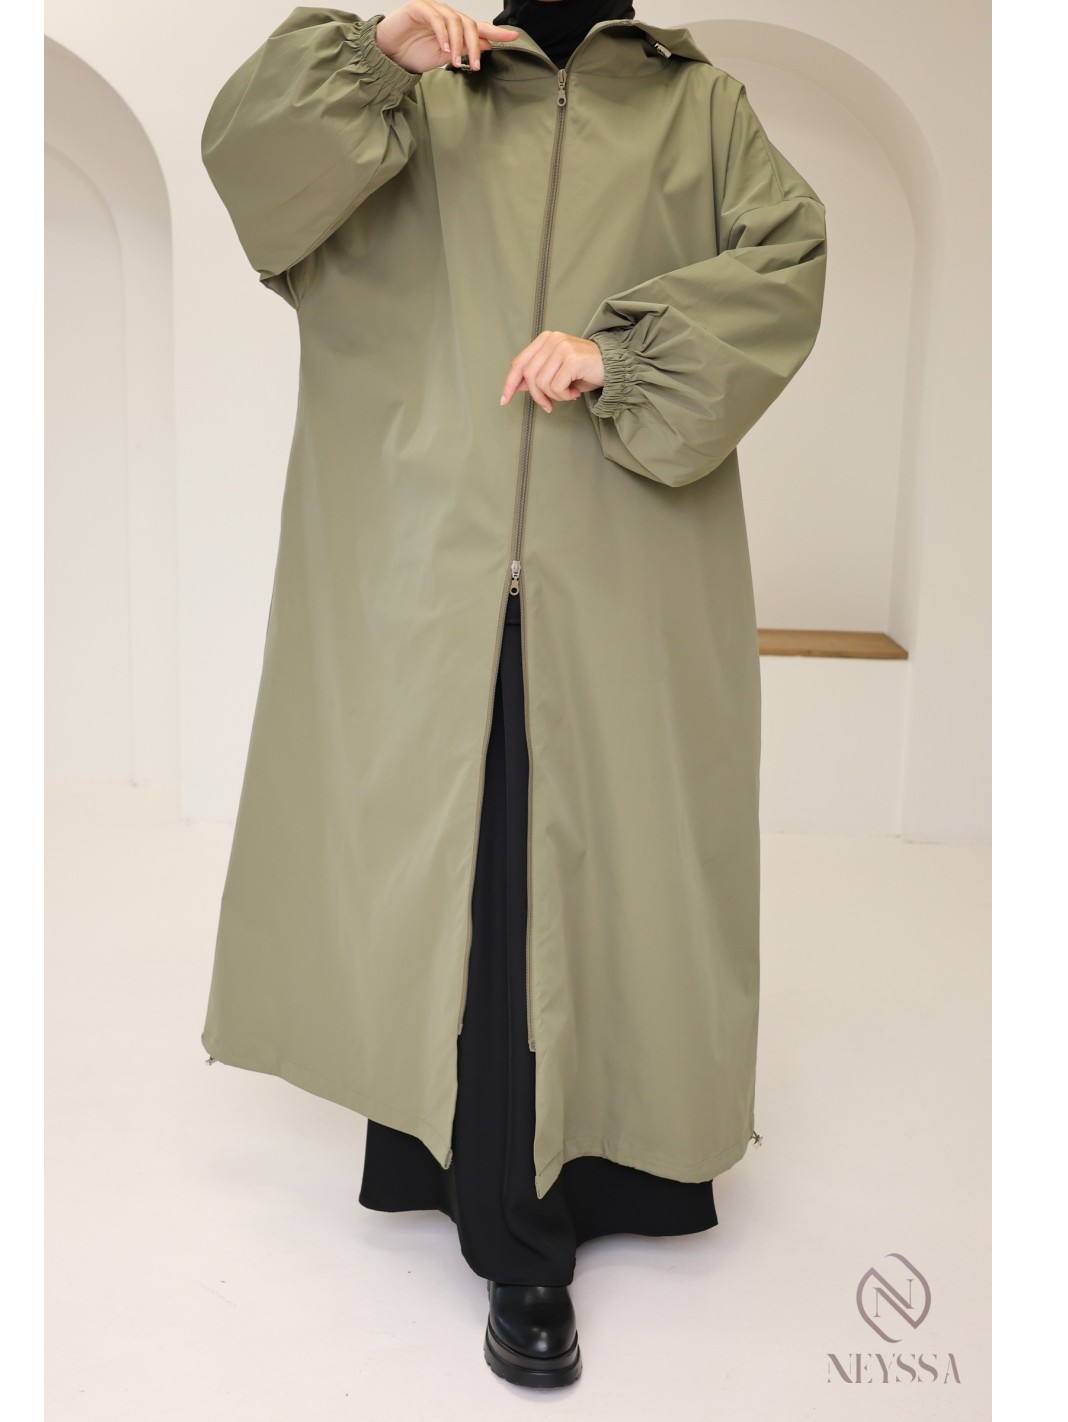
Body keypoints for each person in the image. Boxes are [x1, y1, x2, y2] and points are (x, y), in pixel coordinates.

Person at [199, 0, 827, 1390]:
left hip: (625, 571)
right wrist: (376, 60)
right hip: (431, 557)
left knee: (607, 864)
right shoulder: (422, 91)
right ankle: (511, 1231)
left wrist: (624, 351)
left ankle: (613, 1164)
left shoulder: (697, 108)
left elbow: (788, 258)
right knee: (466, 873)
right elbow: (255, 176)